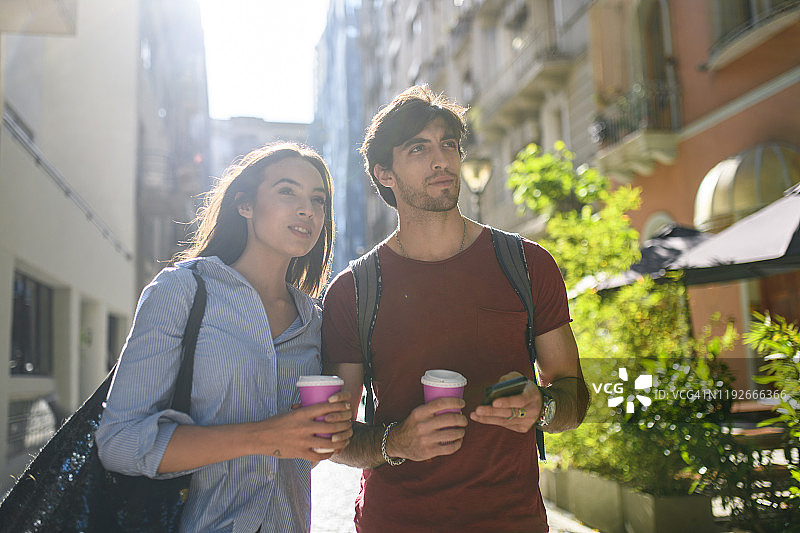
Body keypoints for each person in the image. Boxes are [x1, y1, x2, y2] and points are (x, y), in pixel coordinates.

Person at [321, 86, 590, 532]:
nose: (441, 159)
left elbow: (574, 396)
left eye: (449, 145)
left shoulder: (527, 265)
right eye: (419, 148)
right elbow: (337, 437)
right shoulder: (353, 290)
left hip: (513, 522)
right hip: (397, 523)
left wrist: (540, 407)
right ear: (384, 173)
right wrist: (397, 441)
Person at [97, 142, 353, 533]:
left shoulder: (315, 322)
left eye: (318, 200)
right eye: (287, 191)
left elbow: (302, 454)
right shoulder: (181, 292)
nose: (308, 210)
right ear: (244, 205)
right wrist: (265, 436)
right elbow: (119, 441)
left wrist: (322, 437)